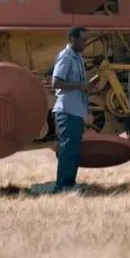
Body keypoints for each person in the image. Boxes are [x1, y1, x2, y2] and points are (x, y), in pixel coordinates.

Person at [50, 26, 90, 192]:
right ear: (72, 39)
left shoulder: (78, 57)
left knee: (73, 150)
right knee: (67, 150)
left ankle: (69, 185)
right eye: (83, 40)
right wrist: (79, 85)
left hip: (76, 111)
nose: (85, 43)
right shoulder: (66, 57)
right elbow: (56, 82)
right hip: (67, 111)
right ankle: (62, 187)